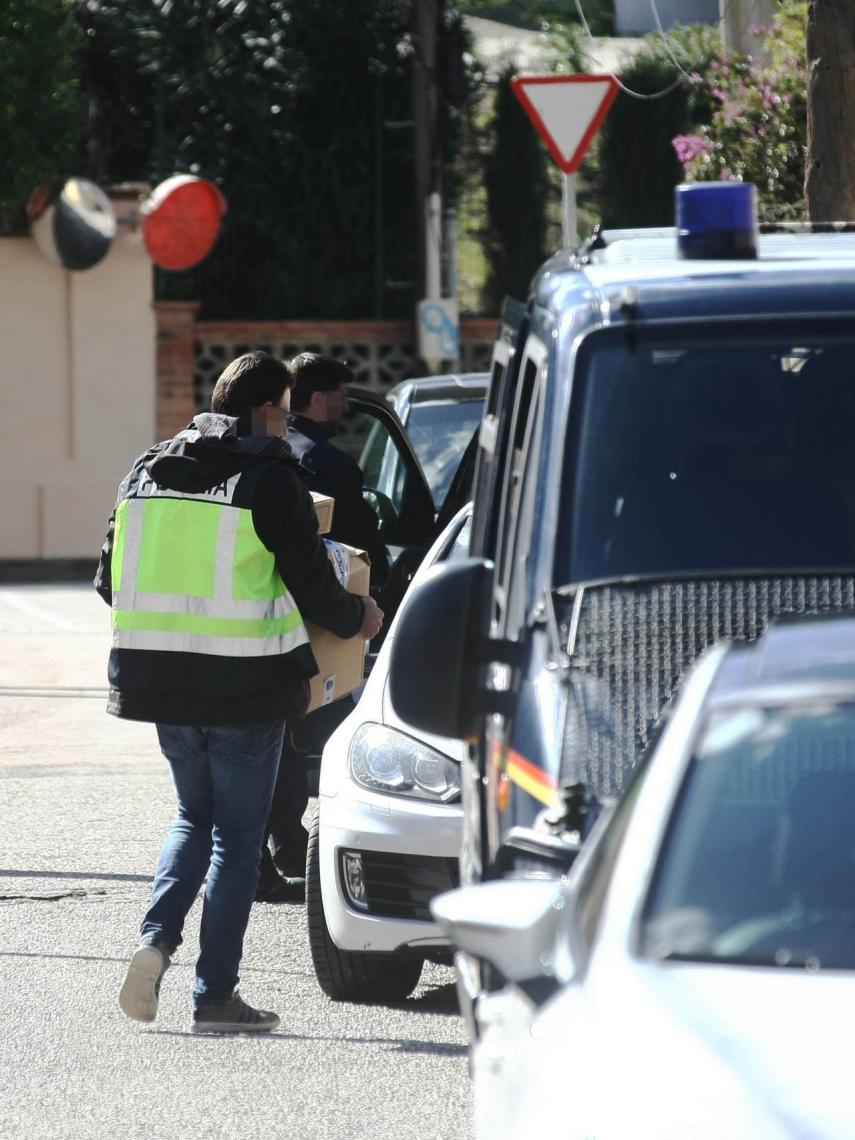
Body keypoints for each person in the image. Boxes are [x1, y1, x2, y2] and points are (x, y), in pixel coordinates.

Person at [95, 350, 383, 1033]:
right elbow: (314, 584)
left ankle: (154, 941)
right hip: (245, 685)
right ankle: (214, 995)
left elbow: (109, 578)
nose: (286, 428)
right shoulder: (269, 477)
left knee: (193, 816)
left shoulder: (148, 467)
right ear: (261, 410)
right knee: (237, 839)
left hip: (161, 681)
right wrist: (360, 618)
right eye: (284, 414)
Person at [255, 352, 389, 903]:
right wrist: (363, 614)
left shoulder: (267, 460)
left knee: (277, 738)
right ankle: (295, 846)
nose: (343, 405)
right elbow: (349, 553)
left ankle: (284, 843)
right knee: (316, 728)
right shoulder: (330, 465)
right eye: (337, 393)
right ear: (314, 399)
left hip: (262, 622)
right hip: (321, 619)